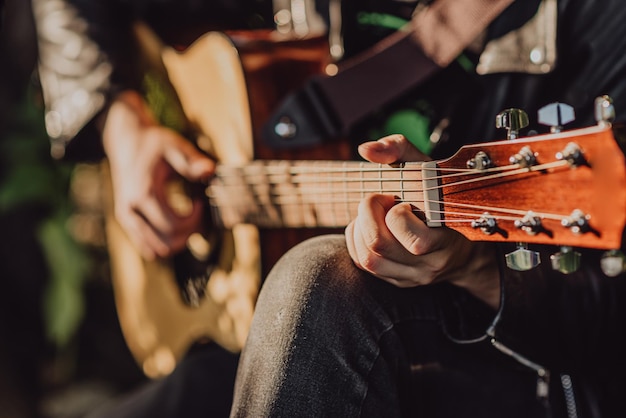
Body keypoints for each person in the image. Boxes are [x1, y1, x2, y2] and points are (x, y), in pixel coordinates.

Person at [230, 0, 626, 417]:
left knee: (318, 279)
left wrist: (476, 267)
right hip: (245, 337)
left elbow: (608, 324)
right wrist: (149, 138)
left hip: (495, 360)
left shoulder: (602, 22)